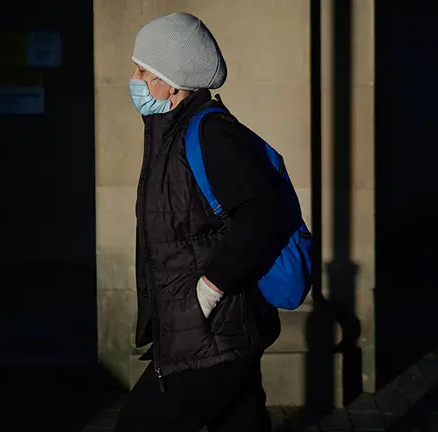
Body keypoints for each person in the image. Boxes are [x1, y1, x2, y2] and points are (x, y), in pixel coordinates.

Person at [114, 12, 290, 432]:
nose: (134, 78)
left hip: (209, 332)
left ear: (171, 81)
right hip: (208, 332)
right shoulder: (169, 133)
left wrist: (208, 291)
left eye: (143, 70)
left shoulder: (209, 132)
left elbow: (262, 212)